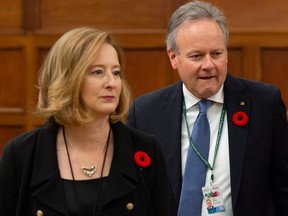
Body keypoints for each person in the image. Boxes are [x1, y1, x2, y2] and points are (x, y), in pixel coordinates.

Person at [126, 1, 288, 216]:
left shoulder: (264, 103)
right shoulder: (145, 112)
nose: (209, 65)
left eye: (217, 54)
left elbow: (283, 187)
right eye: (197, 56)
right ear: (173, 57)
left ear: (227, 54)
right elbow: (137, 195)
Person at [0, 27, 176, 216]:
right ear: (68, 79)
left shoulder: (146, 150)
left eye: (116, 72)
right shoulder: (21, 155)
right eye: (98, 72)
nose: (112, 83)